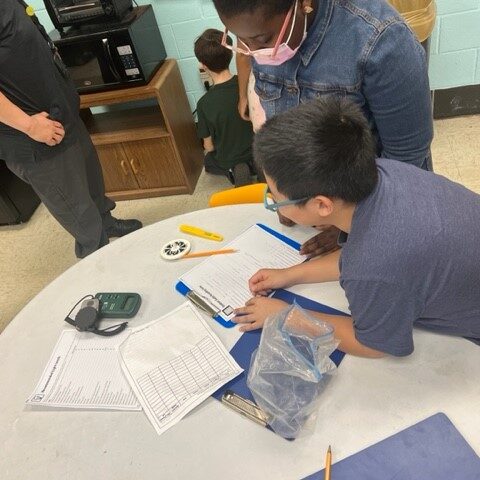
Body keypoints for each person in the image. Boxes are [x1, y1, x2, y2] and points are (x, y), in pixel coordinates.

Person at [233, 97, 480, 358]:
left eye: (274, 197)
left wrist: (284, 315)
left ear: (322, 205)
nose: (273, 202)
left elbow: (374, 345)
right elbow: (369, 255)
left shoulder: (374, 264)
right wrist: (291, 274)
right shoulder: (385, 172)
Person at [212, 0, 434, 255]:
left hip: (377, 206)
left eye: (263, 40)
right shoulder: (259, 36)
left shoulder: (381, 39)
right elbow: (285, 134)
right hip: (315, 209)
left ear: (303, 4)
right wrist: (287, 195)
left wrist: (349, 222)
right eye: (241, 40)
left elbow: (406, 158)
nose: (255, 52)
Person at [0, 0, 142, 259]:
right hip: (36, 136)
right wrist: (30, 125)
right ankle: (96, 256)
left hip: (62, 115)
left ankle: (106, 224)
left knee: (91, 182)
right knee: (76, 207)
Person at [194, 29, 255, 187]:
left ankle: (235, 168)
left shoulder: (203, 104)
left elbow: (209, 146)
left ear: (203, 65)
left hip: (229, 157)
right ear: (230, 54)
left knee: (208, 161)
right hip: (256, 148)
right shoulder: (249, 84)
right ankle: (256, 164)